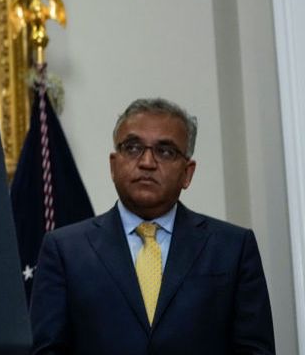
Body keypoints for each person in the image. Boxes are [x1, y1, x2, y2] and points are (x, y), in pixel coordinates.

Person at [28, 98, 275, 354]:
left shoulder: (232, 248)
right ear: (114, 165)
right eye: (133, 148)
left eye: (165, 151)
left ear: (187, 173)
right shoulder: (64, 249)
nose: (147, 162)